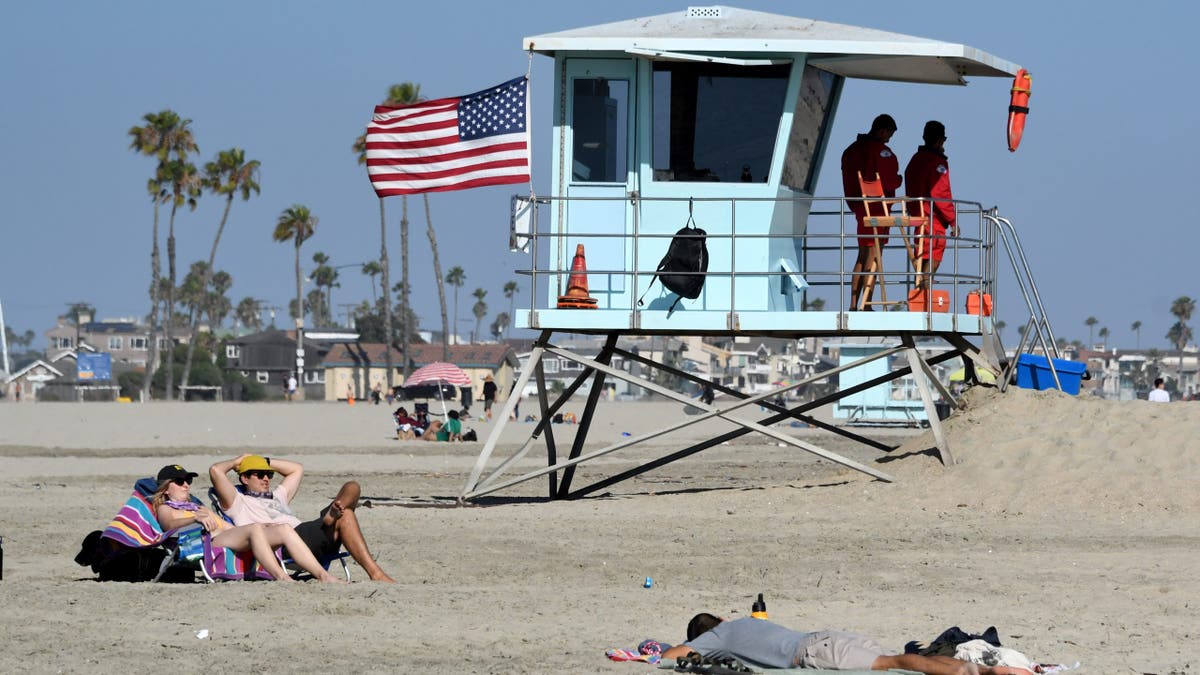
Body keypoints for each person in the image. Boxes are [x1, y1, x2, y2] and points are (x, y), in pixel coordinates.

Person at [209, 454, 395, 583]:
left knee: (352, 488)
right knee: (345, 515)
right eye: (259, 474)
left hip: (310, 538)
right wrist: (239, 461)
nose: (266, 478)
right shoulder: (237, 501)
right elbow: (216, 470)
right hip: (289, 542)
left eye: (269, 474)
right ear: (244, 478)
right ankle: (331, 520)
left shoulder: (277, 496)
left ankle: (332, 520)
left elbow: (297, 469)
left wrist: (262, 461)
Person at [152, 464, 340, 583]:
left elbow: (229, 529)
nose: (186, 484)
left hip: (227, 536)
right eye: (179, 481)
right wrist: (194, 518)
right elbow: (169, 525)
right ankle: (282, 577)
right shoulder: (166, 508)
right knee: (255, 528)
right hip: (206, 542)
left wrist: (265, 528)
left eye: (188, 480)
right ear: (166, 488)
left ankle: (323, 575)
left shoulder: (196, 506)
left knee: (282, 528)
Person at [662, 614, 1032, 675]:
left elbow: (669, 656)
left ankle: (986, 672)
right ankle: (982, 671)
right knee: (899, 663)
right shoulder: (739, 622)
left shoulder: (713, 637)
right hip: (828, 639)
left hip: (815, 651)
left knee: (900, 663)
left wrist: (682, 646)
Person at [842, 114, 901, 310]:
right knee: (874, 256)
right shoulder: (881, 151)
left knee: (862, 255)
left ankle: (853, 304)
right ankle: (866, 304)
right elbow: (889, 179)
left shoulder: (852, 150)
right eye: (889, 135)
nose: (889, 139)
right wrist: (899, 180)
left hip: (860, 207)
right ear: (883, 130)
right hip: (878, 208)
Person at [904, 120, 957, 291]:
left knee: (921, 255)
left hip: (918, 218)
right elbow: (941, 193)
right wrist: (953, 221)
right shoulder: (936, 162)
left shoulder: (916, 159)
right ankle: (925, 292)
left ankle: (921, 293)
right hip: (933, 219)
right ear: (941, 140)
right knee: (934, 252)